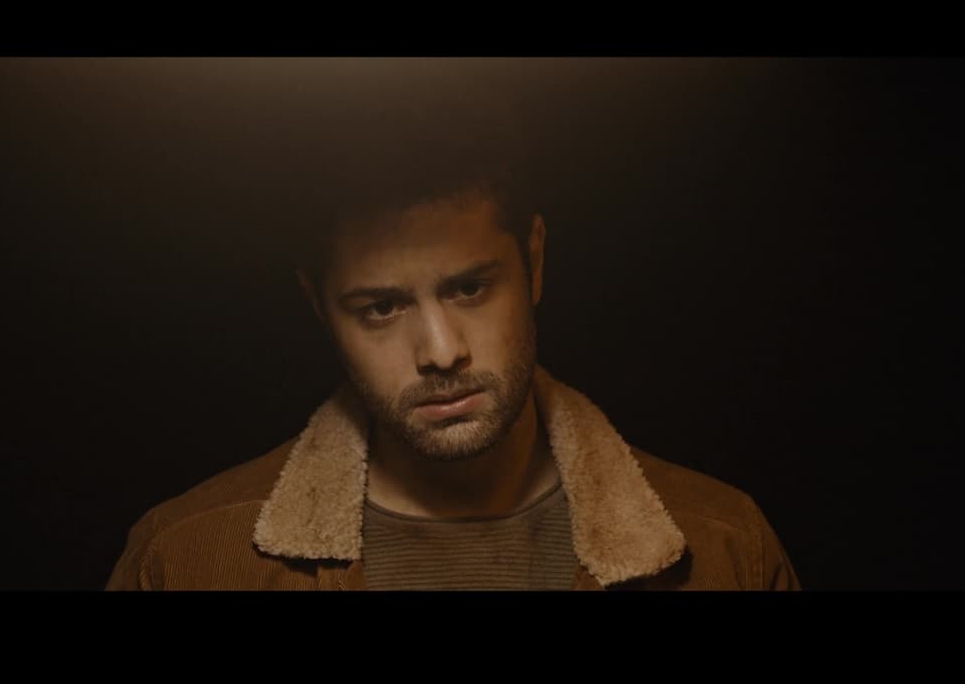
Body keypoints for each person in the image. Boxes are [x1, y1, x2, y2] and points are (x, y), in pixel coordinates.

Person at [106, 73, 800, 591]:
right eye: (381, 308)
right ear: (317, 306)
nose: (441, 352)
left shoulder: (724, 548)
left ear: (534, 261)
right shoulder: (187, 559)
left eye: (470, 289)